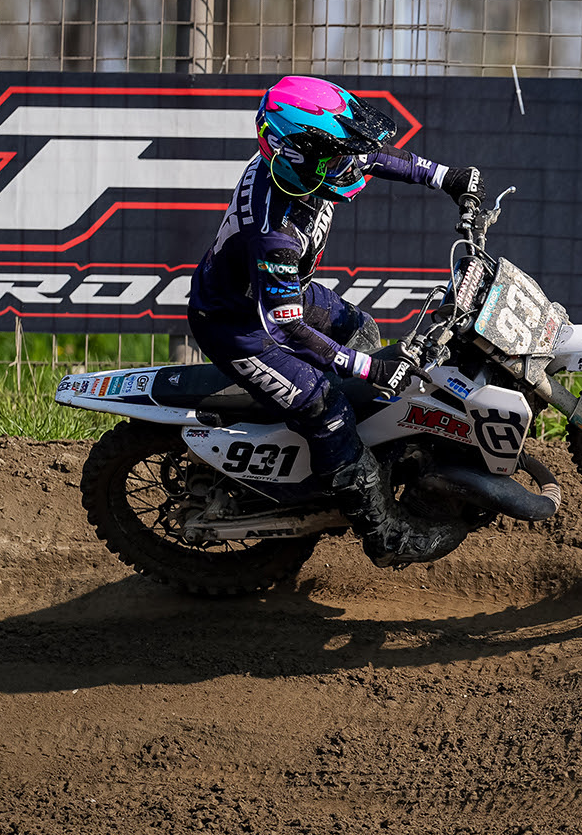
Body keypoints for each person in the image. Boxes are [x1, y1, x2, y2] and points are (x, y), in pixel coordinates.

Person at [188, 75, 482, 567]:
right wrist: (369, 369)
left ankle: (357, 453)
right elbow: (286, 328)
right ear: (299, 156)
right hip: (241, 329)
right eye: (337, 156)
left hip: (283, 297)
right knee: (327, 407)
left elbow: (375, 157)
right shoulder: (275, 232)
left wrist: (447, 177)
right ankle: (382, 535)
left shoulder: (301, 167)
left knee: (361, 330)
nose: (351, 164)